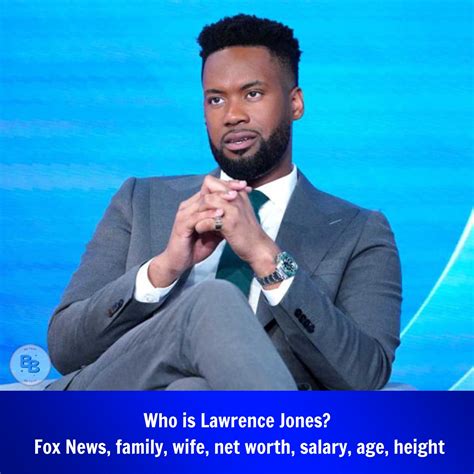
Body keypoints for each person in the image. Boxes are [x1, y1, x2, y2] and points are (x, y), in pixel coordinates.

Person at [46, 14, 402, 391]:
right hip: (116, 409)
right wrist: (163, 270)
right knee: (211, 302)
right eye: (216, 99)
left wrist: (266, 256)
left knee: (193, 391)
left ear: (295, 103)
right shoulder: (141, 200)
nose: (232, 116)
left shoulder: (357, 232)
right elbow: (65, 349)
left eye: (253, 94)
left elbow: (366, 375)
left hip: (224, 423)